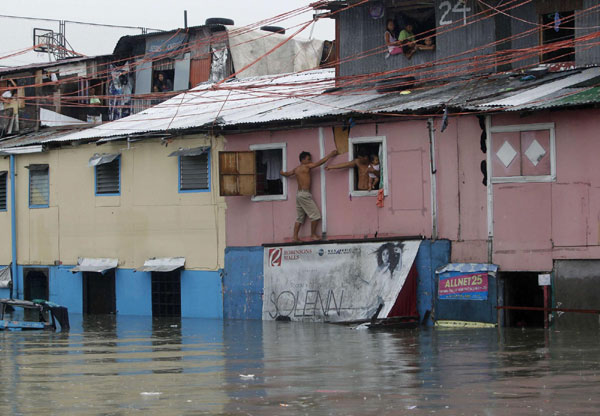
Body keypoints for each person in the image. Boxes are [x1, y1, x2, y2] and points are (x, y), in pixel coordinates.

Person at [280, 149, 338, 241]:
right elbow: (319, 163)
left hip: (299, 195)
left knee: (300, 218)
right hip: (304, 194)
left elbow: (288, 174)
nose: (310, 161)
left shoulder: (296, 169)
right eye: (308, 159)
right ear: (302, 160)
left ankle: (295, 237)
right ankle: (313, 235)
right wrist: (330, 155)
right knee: (316, 215)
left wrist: (282, 173)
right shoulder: (306, 166)